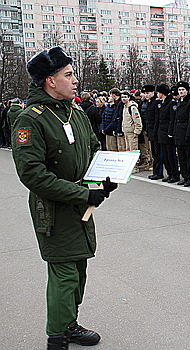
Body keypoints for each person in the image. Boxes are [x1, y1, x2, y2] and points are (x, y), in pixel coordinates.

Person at [11, 46, 117, 350]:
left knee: (78, 269)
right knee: (65, 271)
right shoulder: (31, 119)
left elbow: (92, 151)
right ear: (50, 81)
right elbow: (33, 175)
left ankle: (69, 324)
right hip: (54, 208)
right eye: (68, 75)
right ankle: (57, 338)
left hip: (79, 203)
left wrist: (103, 180)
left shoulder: (75, 111)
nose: (75, 81)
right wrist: (83, 192)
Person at [169, 81, 190, 186]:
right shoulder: (179, 102)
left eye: (183, 90)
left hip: (186, 133)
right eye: (179, 90)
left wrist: (189, 135)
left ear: (187, 90)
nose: (181, 92)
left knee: (189, 158)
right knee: (181, 157)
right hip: (178, 133)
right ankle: (185, 177)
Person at [155, 84, 179, 183]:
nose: (157, 94)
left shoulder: (171, 103)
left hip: (168, 133)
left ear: (162, 93)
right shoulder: (162, 103)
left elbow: (172, 120)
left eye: (158, 92)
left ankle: (175, 174)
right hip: (162, 132)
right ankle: (169, 174)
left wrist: (170, 133)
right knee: (165, 156)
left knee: (171, 155)